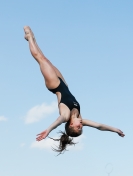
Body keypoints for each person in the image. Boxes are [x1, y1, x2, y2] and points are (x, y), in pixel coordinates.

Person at [24, 26, 125, 154]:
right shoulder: (79, 118)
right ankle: (30, 39)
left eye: (79, 127)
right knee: (45, 59)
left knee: (41, 59)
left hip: (54, 85)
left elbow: (57, 121)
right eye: (81, 127)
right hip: (64, 84)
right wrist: (115, 130)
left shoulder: (65, 116)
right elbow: (99, 126)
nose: (81, 125)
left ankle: (28, 35)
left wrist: (48, 130)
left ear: (71, 125)